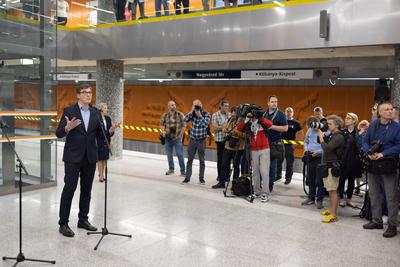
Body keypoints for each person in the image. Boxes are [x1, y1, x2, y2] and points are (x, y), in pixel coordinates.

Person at [56, 84, 118, 237]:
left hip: (90, 156)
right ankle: (63, 223)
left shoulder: (95, 112)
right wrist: (67, 128)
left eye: (90, 92)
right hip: (73, 157)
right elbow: (58, 133)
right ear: (78, 95)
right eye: (85, 92)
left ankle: (83, 219)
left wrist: (109, 132)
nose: (88, 95)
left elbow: (100, 134)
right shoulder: (69, 111)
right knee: (69, 188)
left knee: (86, 190)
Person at [362, 102, 400, 238]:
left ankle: (392, 225)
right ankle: (376, 220)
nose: (390, 111)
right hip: (373, 164)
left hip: (388, 164)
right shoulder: (373, 125)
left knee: (391, 196)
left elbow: (398, 145)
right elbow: (365, 141)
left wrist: (383, 154)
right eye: (387, 109)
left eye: (391, 109)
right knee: (374, 193)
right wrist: (369, 152)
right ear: (380, 112)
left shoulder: (397, 127)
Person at [237, 112, 273, 202]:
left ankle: (265, 193)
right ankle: (257, 191)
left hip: (264, 149)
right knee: (255, 171)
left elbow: (270, 124)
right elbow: (239, 128)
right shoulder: (248, 123)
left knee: (264, 171)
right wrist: (246, 120)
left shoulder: (262, 122)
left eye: (252, 114)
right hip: (253, 150)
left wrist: (260, 118)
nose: (252, 116)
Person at [318, 115, 345, 223]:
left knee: (333, 190)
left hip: (332, 167)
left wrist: (321, 139)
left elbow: (328, 148)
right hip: (328, 165)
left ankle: (333, 214)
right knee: (329, 189)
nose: (327, 125)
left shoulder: (339, 136)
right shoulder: (332, 135)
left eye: (330, 124)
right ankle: (331, 210)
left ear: (337, 125)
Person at [212, 107, 244, 189]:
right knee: (224, 165)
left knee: (236, 167)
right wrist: (227, 130)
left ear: (238, 114)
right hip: (227, 147)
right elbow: (223, 129)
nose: (233, 116)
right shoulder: (229, 120)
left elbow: (244, 135)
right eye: (232, 113)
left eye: (234, 114)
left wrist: (234, 132)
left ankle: (234, 185)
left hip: (237, 148)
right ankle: (222, 182)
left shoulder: (242, 122)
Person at [263, 95, 288, 192]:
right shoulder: (264, 114)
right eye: (272, 102)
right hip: (264, 143)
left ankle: (270, 185)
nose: (274, 103)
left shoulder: (280, 114)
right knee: (263, 165)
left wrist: (271, 126)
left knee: (272, 166)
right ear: (268, 103)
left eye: (276, 102)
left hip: (274, 143)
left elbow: (285, 128)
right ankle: (263, 183)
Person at [182, 99, 210, 184]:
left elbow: (205, 124)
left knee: (202, 160)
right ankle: (187, 178)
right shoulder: (192, 114)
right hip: (192, 140)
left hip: (201, 141)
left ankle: (201, 178)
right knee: (190, 159)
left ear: (201, 105)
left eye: (198, 105)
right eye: (195, 105)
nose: (197, 107)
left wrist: (200, 115)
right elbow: (184, 120)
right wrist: (191, 111)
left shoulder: (206, 114)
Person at [338, 113, 362, 208]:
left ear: (354, 121)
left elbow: (359, 145)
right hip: (343, 159)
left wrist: (359, 134)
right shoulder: (342, 131)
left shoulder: (358, 132)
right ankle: (341, 198)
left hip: (354, 160)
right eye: (346, 118)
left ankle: (349, 199)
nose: (346, 119)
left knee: (351, 180)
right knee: (342, 180)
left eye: (349, 118)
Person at [301, 116, 324, 209]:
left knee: (319, 180)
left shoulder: (324, 131)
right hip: (310, 157)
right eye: (310, 126)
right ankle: (311, 198)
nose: (312, 128)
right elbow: (306, 142)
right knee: (310, 178)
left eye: (313, 126)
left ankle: (319, 200)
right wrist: (306, 150)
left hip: (319, 158)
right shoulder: (309, 131)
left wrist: (318, 152)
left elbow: (326, 146)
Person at [277, 107, 303, 185]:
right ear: (285, 112)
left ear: (293, 113)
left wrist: (296, 144)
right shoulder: (280, 121)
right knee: (278, 161)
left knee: (289, 163)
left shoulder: (296, 123)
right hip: (280, 144)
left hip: (290, 146)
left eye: (290, 111)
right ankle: (278, 175)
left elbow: (301, 134)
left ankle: (288, 178)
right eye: (287, 111)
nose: (288, 113)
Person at [160, 100, 186, 176]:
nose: (174, 106)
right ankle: (171, 169)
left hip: (177, 138)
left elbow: (184, 125)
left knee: (180, 154)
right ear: (168, 107)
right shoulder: (165, 115)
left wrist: (181, 135)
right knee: (169, 155)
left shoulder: (180, 114)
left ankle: (183, 171)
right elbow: (161, 124)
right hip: (168, 139)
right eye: (172, 105)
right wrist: (163, 131)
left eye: (174, 104)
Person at [96, 103, 115, 183]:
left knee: (104, 159)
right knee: (100, 159)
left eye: (107, 108)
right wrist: (108, 132)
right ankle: (101, 175)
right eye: (105, 108)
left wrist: (111, 134)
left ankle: (102, 173)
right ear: (101, 109)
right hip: (99, 141)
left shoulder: (108, 118)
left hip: (106, 141)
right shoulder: (97, 118)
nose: (107, 109)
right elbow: (98, 132)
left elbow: (110, 131)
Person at [212, 100, 230, 182]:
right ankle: (219, 175)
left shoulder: (230, 115)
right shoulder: (215, 115)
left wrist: (220, 126)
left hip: (228, 140)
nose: (227, 107)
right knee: (220, 159)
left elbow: (230, 127)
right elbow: (215, 128)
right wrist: (224, 125)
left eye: (228, 106)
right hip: (219, 140)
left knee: (227, 159)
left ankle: (226, 176)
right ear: (221, 106)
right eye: (225, 106)